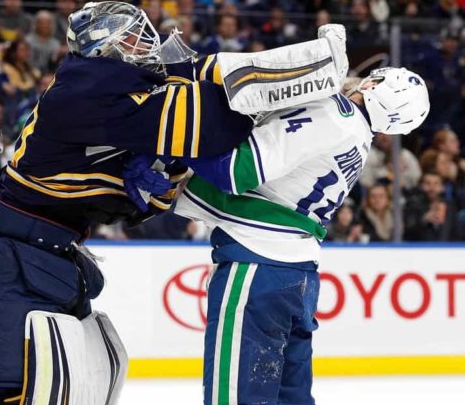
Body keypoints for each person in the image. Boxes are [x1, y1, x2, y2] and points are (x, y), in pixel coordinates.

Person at [0, 0, 255, 405]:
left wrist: (161, 174)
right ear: (103, 47)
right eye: (130, 35)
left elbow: (135, 207)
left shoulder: (109, 98)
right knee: (19, 389)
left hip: (46, 252)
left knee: (72, 385)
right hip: (7, 257)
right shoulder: (84, 91)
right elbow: (210, 126)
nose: (144, 42)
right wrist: (261, 96)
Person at [164, 63, 430, 403]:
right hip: (298, 276)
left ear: (374, 85)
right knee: (290, 397)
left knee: (233, 396)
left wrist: (165, 139)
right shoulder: (360, 140)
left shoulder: (333, 115)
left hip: (258, 264)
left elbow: (235, 171)